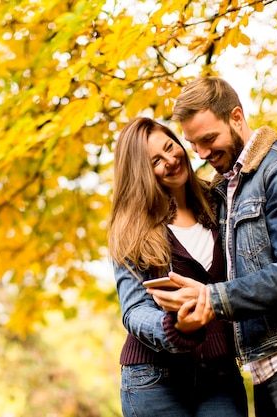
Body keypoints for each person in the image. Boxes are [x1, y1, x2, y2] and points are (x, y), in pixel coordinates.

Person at [149, 76, 277, 417]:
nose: (201, 153)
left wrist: (210, 298)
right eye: (193, 144)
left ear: (237, 118)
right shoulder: (231, 187)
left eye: (209, 139)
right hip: (266, 366)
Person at [107, 116, 248, 417]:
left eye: (170, 147)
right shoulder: (131, 228)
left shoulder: (219, 201)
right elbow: (133, 311)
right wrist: (175, 327)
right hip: (155, 378)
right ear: (142, 174)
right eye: (156, 161)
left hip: (219, 374)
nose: (171, 160)